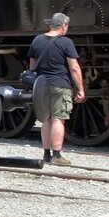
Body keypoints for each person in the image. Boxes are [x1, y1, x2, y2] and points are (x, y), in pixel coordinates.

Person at [28, 12, 86, 165]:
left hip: (41, 86)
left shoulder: (37, 40)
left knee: (45, 119)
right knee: (58, 119)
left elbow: (32, 65)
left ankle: (46, 154)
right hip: (60, 84)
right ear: (63, 25)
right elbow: (74, 68)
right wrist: (80, 89)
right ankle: (57, 155)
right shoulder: (66, 42)